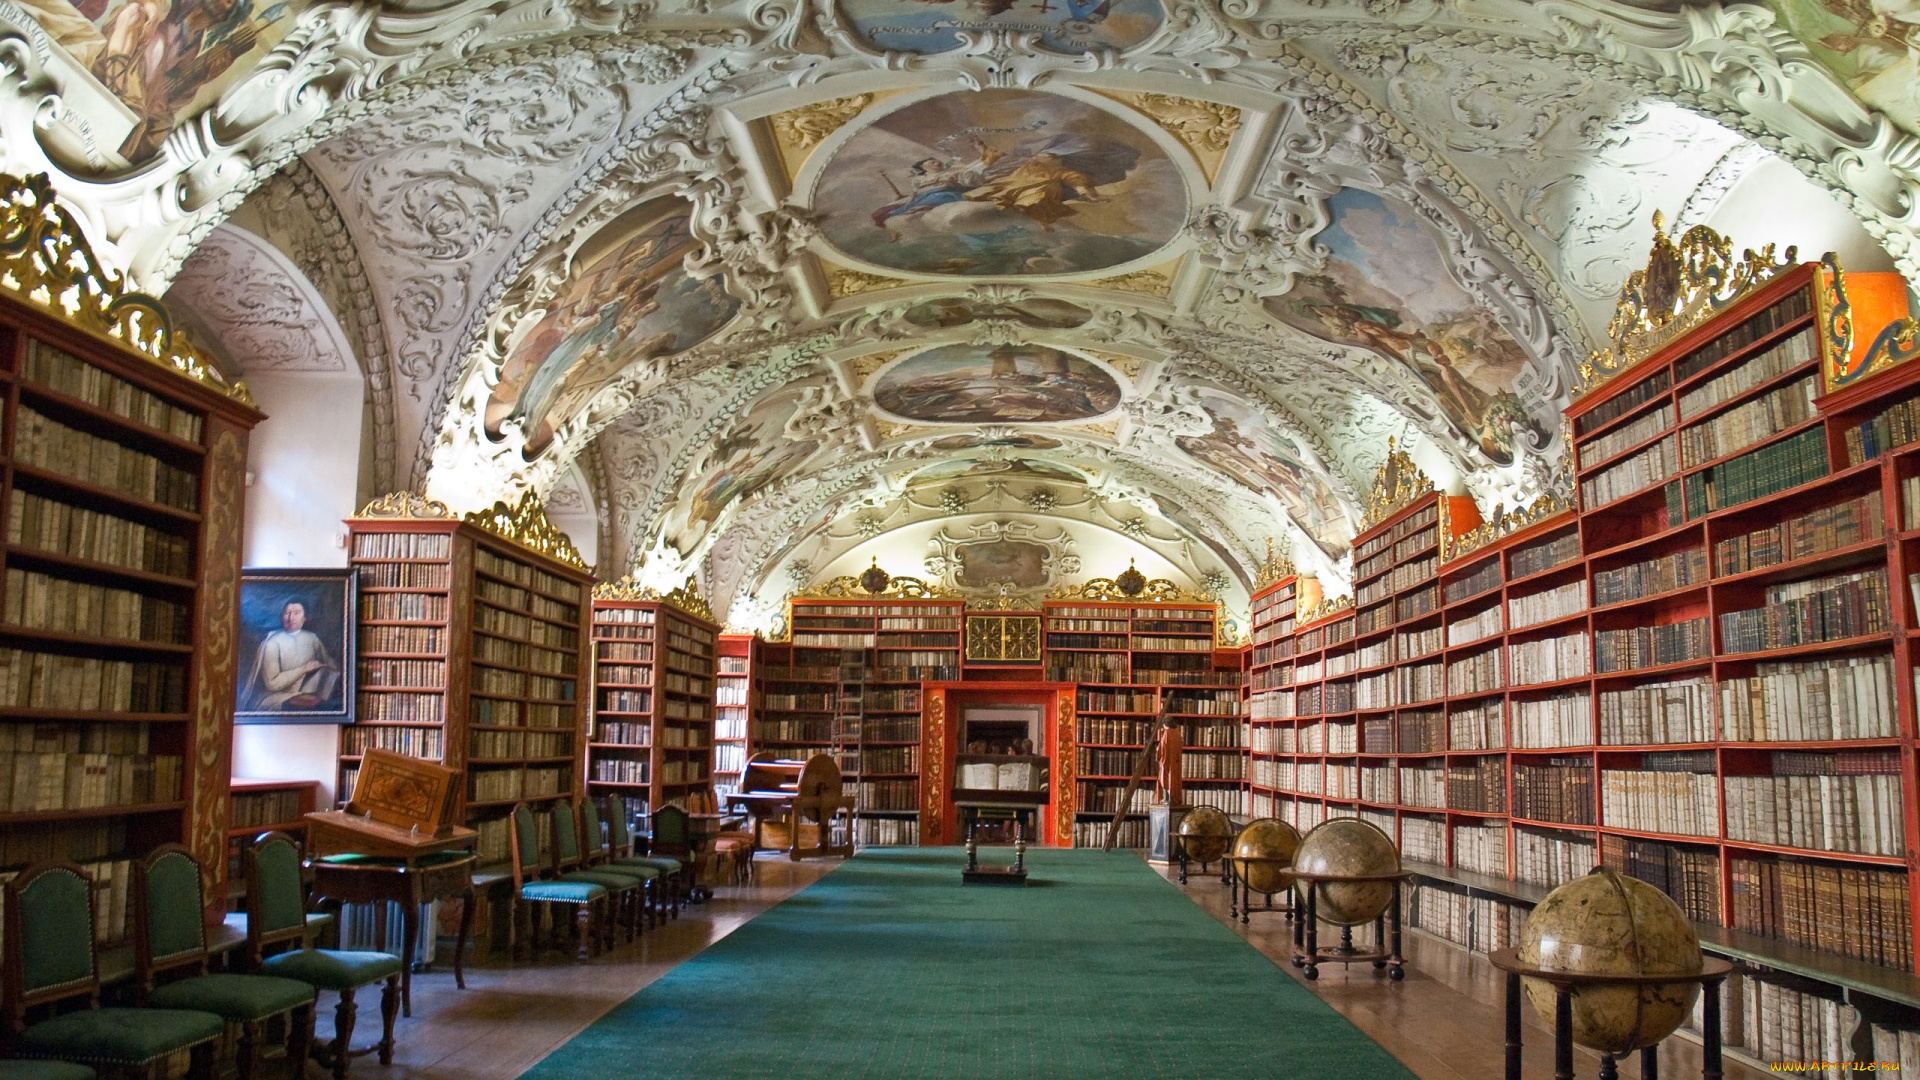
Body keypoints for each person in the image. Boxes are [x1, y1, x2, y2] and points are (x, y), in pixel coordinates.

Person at [243, 599, 340, 711]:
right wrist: (304, 669)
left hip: (307, 692)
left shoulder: (312, 638)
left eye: (296, 613)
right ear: (282, 617)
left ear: (305, 617)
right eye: (287, 613)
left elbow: (330, 664)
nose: (291, 618)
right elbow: (272, 684)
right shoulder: (272, 643)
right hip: (277, 698)